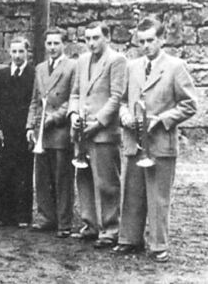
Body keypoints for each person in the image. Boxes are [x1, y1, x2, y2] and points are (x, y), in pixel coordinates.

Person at [114, 17, 198, 263]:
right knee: (131, 192)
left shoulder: (176, 66)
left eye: (151, 40)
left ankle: (158, 244)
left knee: (158, 196)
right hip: (134, 140)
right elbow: (120, 100)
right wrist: (125, 115)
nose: (147, 45)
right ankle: (129, 239)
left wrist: (161, 118)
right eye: (142, 41)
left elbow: (190, 104)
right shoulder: (131, 66)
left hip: (160, 142)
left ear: (162, 40)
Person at [68, 22, 126, 248]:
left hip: (104, 134)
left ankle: (110, 229)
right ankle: (90, 224)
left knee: (106, 184)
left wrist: (98, 123)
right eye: (87, 38)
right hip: (82, 132)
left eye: (96, 38)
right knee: (83, 179)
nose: (91, 43)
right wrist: (73, 115)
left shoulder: (117, 60)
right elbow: (75, 94)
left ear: (107, 37)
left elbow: (116, 97)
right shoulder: (81, 61)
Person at [25, 29, 76, 238]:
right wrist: (30, 126)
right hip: (41, 132)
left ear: (64, 44)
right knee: (42, 177)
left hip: (60, 131)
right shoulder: (39, 68)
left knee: (62, 178)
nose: (52, 48)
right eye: (49, 44)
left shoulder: (72, 67)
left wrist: (53, 118)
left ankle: (64, 222)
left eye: (56, 43)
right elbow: (35, 101)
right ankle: (47, 217)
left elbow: (73, 99)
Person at [0, 37, 35, 228]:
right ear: (9, 52)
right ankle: (3, 216)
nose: (17, 56)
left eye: (21, 52)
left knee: (24, 173)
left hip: (23, 131)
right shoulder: (1, 74)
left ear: (27, 52)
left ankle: (23, 216)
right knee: (3, 172)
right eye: (14, 52)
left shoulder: (33, 73)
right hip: (4, 131)